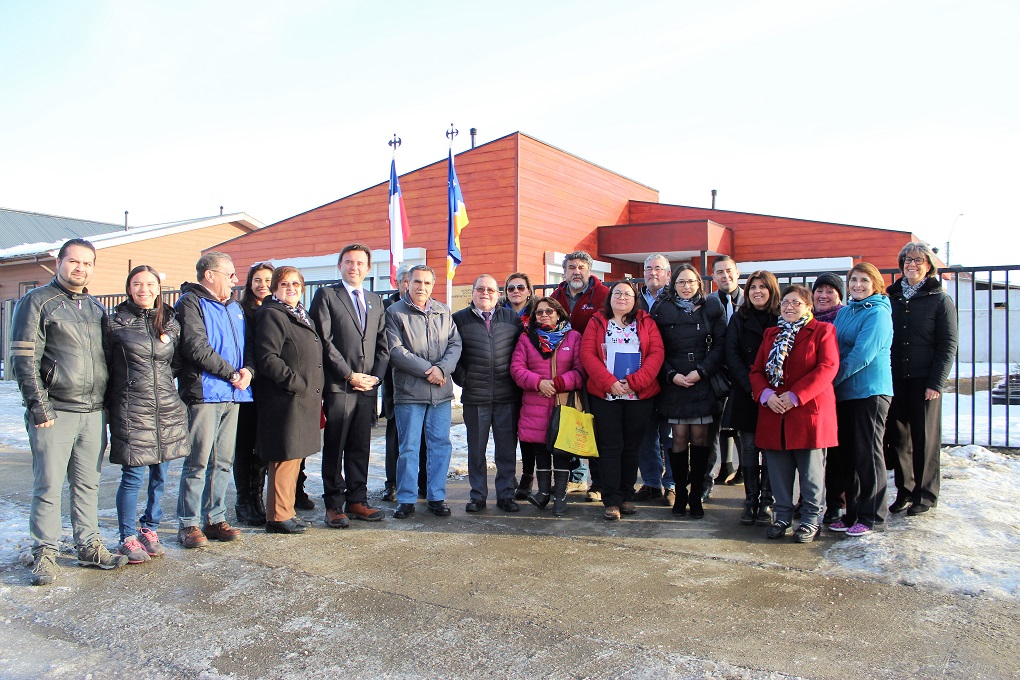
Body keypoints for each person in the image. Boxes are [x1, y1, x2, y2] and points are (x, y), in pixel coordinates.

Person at [11, 239, 128, 585]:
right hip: (55, 412)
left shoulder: (94, 308)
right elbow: (23, 359)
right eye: (74, 262)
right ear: (59, 262)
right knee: (48, 484)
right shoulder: (36, 303)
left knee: (87, 483)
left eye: (87, 263)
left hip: (93, 412)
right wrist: (39, 406)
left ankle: (89, 544)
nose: (80, 268)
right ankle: (45, 551)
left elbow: (107, 358)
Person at [104, 265, 191, 563]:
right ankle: (127, 536)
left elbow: (176, 362)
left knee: (161, 472)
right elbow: (107, 366)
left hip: (165, 407)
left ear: (158, 288)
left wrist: (164, 386)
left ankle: (149, 528)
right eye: (137, 284)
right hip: (131, 408)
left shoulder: (170, 321)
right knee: (133, 474)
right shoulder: (115, 323)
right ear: (129, 288)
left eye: (150, 284)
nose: (144, 290)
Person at [175, 251, 254, 548]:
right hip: (205, 394)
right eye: (230, 274)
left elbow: (247, 345)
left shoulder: (234, 307)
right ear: (210, 275)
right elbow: (196, 347)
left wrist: (248, 370)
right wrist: (232, 373)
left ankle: (215, 517)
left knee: (223, 461)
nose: (235, 280)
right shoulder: (190, 303)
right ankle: (188, 523)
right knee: (197, 461)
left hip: (234, 394)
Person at [750, 284, 839, 543]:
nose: (789, 307)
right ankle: (782, 517)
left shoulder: (823, 331)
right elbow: (756, 370)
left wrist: (795, 395)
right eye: (786, 302)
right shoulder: (771, 334)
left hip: (807, 412)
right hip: (775, 412)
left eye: (796, 303)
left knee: (811, 474)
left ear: (809, 307)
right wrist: (766, 395)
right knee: (778, 472)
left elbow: (827, 367)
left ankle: (811, 520)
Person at [311, 245, 389, 528]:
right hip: (340, 385)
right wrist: (348, 374)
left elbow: (383, 344)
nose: (354, 267)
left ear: (368, 268)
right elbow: (324, 339)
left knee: (360, 446)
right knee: (336, 445)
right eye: (348, 262)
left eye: (359, 263)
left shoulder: (375, 300)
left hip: (367, 387)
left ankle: (358, 499)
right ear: (340, 265)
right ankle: (334, 503)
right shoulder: (327, 295)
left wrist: (376, 377)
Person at [579, 281, 664, 520]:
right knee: (610, 447)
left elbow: (656, 354)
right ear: (610, 297)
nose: (622, 298)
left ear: (635, 298)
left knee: (632, 447)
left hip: (639, 395)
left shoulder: (646, 322)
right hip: (606, 395)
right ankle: (612, 499)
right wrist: (609, 383)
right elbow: (587, 354)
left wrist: (634, 382)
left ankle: (627, 496)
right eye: (618, 293)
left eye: (628, 294)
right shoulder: (597, 321)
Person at [886, 242, 959, 517]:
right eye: (906, 260)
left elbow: (948, 344)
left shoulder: (939, 299)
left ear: (928, 265)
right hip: (895, 379)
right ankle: (905, 491)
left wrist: (936, 382)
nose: (911, 264)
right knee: (899, 438)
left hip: (924, 380)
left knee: (925, 438)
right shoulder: (892, 298)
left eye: (917, 260)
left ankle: (924, 495)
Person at [385, 265, 462, 519]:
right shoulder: (395, 312)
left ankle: (436, 496)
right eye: (417, 282)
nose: (422, 287)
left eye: (427, 283)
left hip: (440, 393)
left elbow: (455, 343)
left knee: (440, 445)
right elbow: (396, 351)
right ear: (407, 283)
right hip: (410, 393)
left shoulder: (443, 311)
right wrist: (431, 370)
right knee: (409, 447)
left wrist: (443, 369)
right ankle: (406, 499)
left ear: (432, 286)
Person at [650, 264, 727, 519]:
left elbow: (720, 346)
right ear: (674, 284)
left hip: (702, 381)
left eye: (691, 282)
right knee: (678, 440)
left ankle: (696, 495)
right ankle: (679, 492)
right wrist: (672, 375)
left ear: (699, 284)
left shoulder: (712, 307)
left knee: (701, 440)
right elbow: (655, 348)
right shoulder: (661, 309)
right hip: (675, 384)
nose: (686, 287)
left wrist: (702, 371)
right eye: (681, 282)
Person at [255, 266, 325, 534]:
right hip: (285, 398)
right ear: (274, 288)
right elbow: (268, 358)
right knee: (283, 457)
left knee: (294, 456)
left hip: (302, 398)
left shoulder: (300, 314)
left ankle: (287, 511)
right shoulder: (272, 314)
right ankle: (277, 516)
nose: (291, 289)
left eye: (296, 285)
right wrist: (296, 383)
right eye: (285, 285)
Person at [830, 263, 894, 537]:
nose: (857, 285)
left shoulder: (878, 313)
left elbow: (861, 355)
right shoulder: (845, 312)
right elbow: (832, 347)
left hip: (869, 392)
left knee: (868, 453)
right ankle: (852, 513)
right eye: (853, 280)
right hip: (845, 393)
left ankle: (872, 516)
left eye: (864, 280)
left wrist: (829, 380)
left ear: (875, 284)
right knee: (849, 457)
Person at [453, 275, 525, 513]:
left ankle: (506, 495)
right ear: (472, 292)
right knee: (476, 450)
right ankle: (478, 496)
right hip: (475, 396)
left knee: (506, 450)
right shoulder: (458, 320)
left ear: (499, 294)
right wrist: (465, 380)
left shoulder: (512, 319)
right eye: (480, 289)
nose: (486, 293)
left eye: (491, 290)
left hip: (507, 396)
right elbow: (453, 354)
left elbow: (521, 352)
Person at [510, 297, 585, 517]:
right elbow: (516, 368)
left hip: (563, 405)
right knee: (540, 450)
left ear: (559, 314)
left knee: (561, 452)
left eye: (549, 311)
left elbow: (581, 370)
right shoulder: (526, 338)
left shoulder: (573, 337)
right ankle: (543, 493)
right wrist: (538, 383)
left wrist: (558, 384)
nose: (544, 315)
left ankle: (560, 497)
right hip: (536, 404)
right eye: (539, 312)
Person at [550, 251, 609, 501]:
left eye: (581, 267)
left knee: (595, 425)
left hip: (597, 370)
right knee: (570, 422)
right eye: (571, 267)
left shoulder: (604, 295)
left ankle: (599, 482)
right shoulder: (556, 296)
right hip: (567, 372)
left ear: (589, 270)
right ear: (564, 271)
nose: (576, 271)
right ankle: (576, 478)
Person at [724, 270, 780, 526]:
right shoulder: (739, 317)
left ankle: (766, 502)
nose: (757, 291)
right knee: (748, 448)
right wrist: (752, 387)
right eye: (753, 287)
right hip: (748, 392)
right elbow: (731, 354)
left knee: (769, 449)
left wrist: (769, 390)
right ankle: (750, 500)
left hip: (775, 395)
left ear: (771, 289)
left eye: (762, 287)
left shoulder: (781, 317)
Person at [381, 264, 427, 502]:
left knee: (422, 437)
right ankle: (393, 483)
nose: (414, 286)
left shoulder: (431, 308)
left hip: (425, 381)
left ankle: (422, 482)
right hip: (396, 381)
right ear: (399, 283)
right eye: (409, 281)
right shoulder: (386, 308)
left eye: (419, 281)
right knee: (397, 434)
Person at [234, 262, 274, 526]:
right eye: (257, 280)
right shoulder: (241, 310)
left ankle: (258, 499)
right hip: (247, 386)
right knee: (244, 447)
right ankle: (243, 501)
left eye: (268, 280)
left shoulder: (275, 309)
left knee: (261, 448)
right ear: (249, 283)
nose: (263, 285)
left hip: (268, 388)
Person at [634, 254, 675, 506]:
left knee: (670, 435)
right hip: (641, 376)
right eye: (648, 268)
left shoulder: (677, 299)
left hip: (671, 375)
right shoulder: (634, 300)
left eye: (658, 268)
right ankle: (651, 482)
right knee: (645, 433)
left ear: (668, 274)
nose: (652, 273)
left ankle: (671, 483)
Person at [812, 272, 846, 523]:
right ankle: (808, 501)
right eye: (819, 290)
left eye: (829, 291)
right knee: (812, 452)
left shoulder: (844, 318)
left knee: (837, 453)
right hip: (813, 395)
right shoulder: (806, 318)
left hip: (841, 390)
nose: (823, 295)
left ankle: (835, 503)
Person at [709, 255, 744, 490]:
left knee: (741, 422)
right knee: (720, 421)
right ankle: (726, 465)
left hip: (743, 369)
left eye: (729, 271)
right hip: (718, 370)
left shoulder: (750, 298)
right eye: (720, 272)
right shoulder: (710, 301)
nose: (725, 276)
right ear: (713, 277)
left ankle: (745, 467)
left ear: (737, 272)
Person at [501, 272, 536, 500]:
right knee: (507, 433)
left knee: (529, 434)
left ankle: (527, 477)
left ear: (529, 292)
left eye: (520, 288)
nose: (516, 291)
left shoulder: (537, 313)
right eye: (511, 288)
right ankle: (508, 476)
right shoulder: (498, 314)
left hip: (530, 380)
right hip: (504, 380)